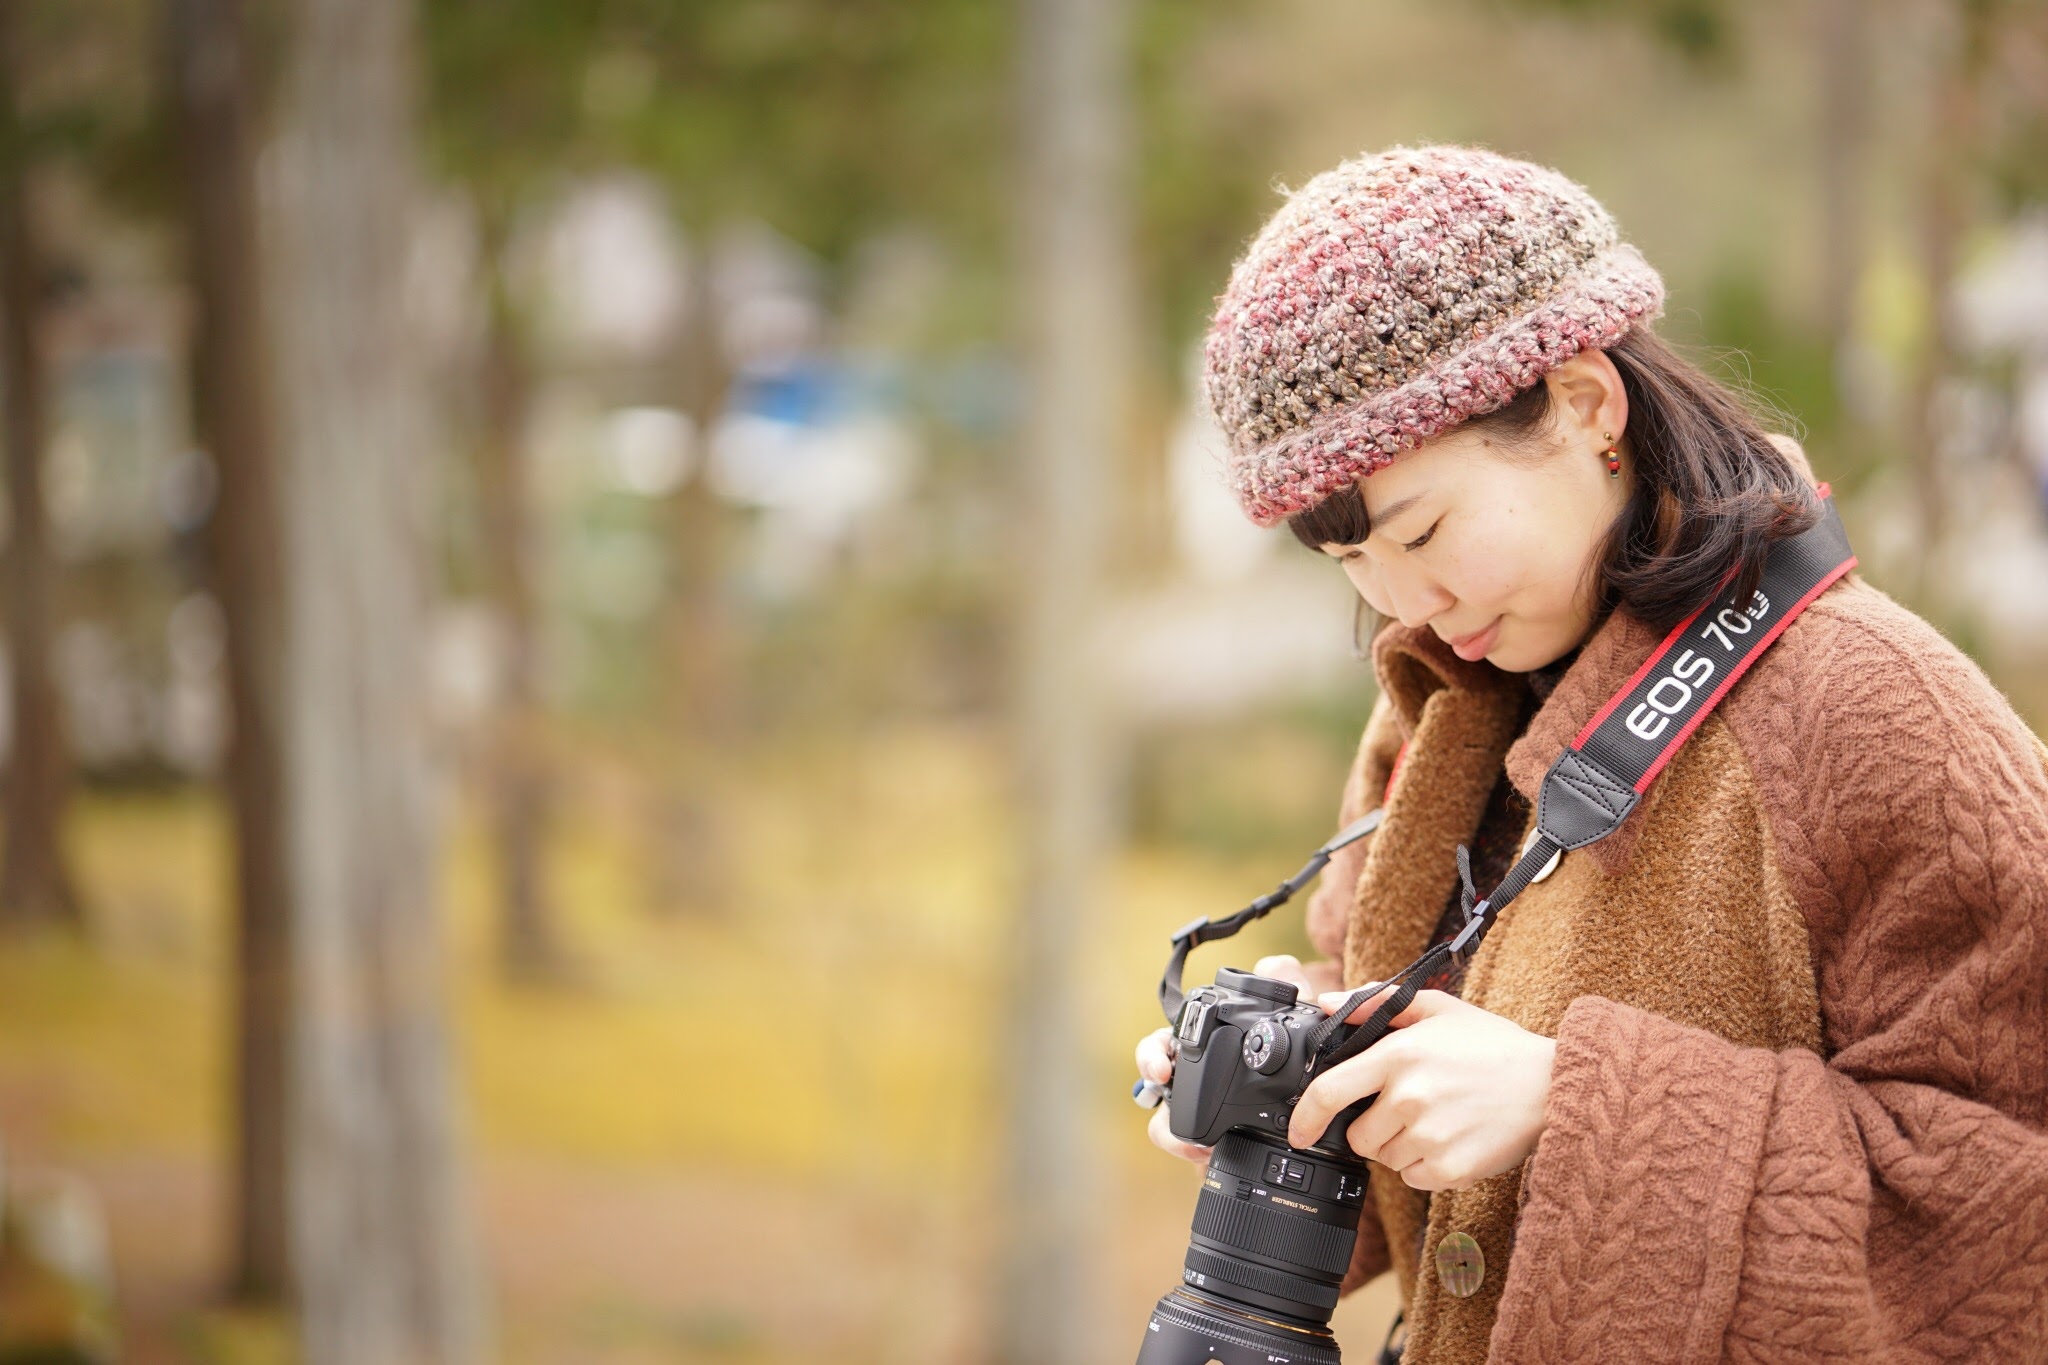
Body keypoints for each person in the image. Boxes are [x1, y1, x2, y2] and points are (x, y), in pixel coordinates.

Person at [1134, 145, 2048, 1363]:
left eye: (1424, 528)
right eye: (1351, 564)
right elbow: (1453, 1220)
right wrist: (1301, 1087)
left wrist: (1573, 1110)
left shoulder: (1876, 711)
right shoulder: (1445, 709)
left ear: (1582, 405)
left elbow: (2003, 1218)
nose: (1407, 597)